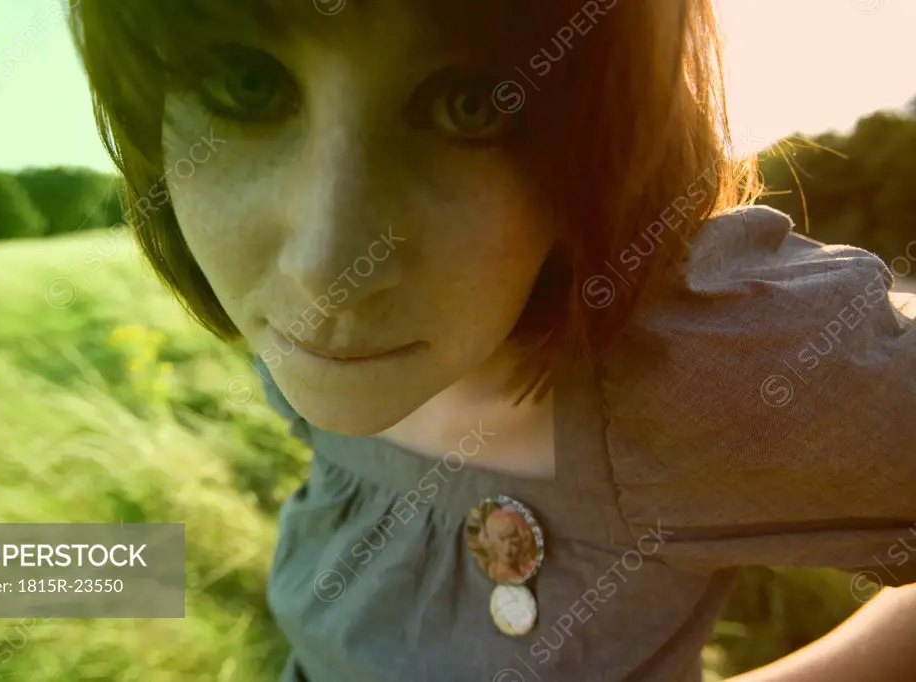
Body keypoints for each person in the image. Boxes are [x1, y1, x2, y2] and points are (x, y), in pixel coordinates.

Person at [67, 0, 916, 680]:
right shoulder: (328, 356)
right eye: (246, 85)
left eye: (470, 104)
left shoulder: (695, 377)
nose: (324, 272)